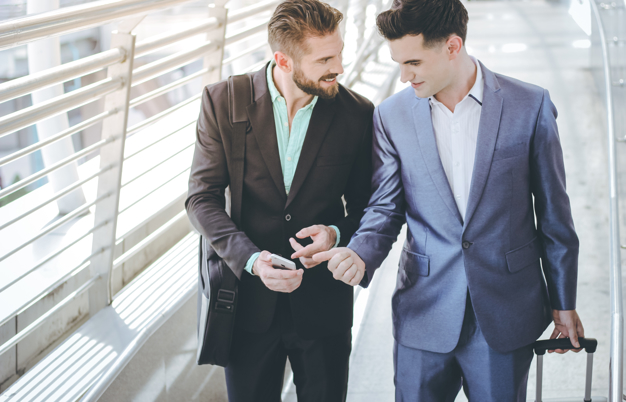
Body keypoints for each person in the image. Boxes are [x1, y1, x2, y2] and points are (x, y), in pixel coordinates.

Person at [313, 0, 584, 400]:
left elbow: (554, 216)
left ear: (453, 46)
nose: (404, 76)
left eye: (414, 63)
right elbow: (386, 207)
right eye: (399, 63)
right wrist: (360, 253)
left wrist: (563, 302)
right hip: (424, 308)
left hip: (505, 311)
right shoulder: (391, 116)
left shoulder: (530, 105)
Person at [185, 0, 374, 400]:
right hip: (247, 307)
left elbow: (369, 207)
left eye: (338, 52)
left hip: (324, 307)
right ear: (283, 61)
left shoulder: (357, 113)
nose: (338, 67)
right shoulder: (223, 101)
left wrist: (336, 233)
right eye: (324, 59)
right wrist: (251, 260)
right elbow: (202, 199)